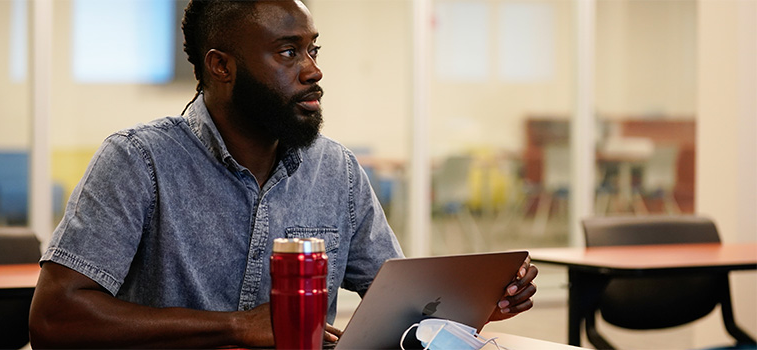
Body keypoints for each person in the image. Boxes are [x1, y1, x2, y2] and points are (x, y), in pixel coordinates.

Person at [28, 1, 538, 348]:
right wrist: (239, 327)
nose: (313, 69)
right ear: (221, 66)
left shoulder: (335, 171)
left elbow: (397, 301)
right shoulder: (138, 161)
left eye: (313, 50)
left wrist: (467, 307)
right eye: (288, 52)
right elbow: (55, 318)